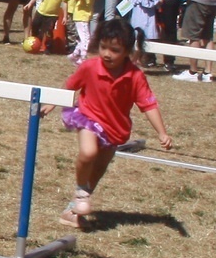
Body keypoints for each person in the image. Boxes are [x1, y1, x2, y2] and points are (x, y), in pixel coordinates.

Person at [39, 18, 173, 230]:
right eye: (103, 47)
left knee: (99, 168)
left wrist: (162, 133)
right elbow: (70, 86)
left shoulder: (135, 76)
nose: (107, 54)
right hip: (88, 117)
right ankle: (81, 192)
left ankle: (73, 209)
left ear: (127, 51)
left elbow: (148, 104)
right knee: (88, 153)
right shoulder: (90, 67)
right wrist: (52, 103)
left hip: (115, 128)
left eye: (115, 50)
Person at [68, 0, 99, 65]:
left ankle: (74, 55)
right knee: (86, 39)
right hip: (81, 17)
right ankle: (83, 58)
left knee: (83, 38)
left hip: (85, 16)